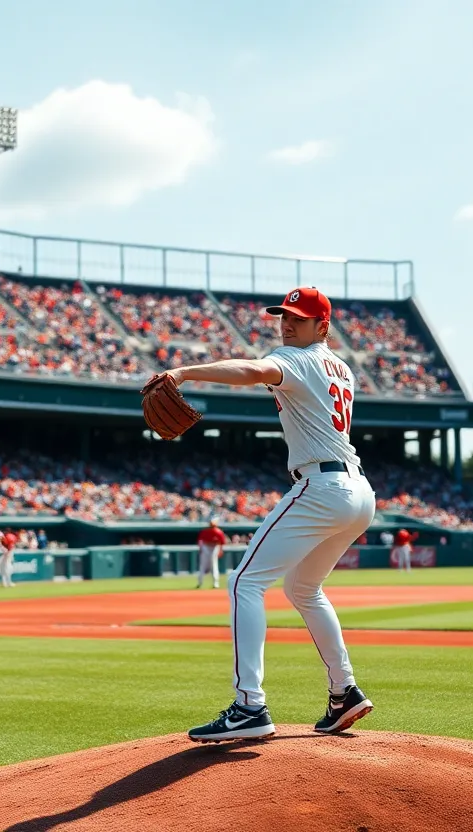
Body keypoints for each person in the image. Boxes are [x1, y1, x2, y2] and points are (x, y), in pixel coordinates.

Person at [161, 286, 376, 743]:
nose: (286, 323)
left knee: (244, 581)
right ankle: (345, 692)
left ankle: (249, 706)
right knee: (304, 588)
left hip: (323, 486)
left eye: (298, 318)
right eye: (284, 316)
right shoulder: (342, 369)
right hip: (359, 490)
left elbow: (254, 370)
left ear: (322, 327)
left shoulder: (295, 358)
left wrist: (183, 371)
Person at [195, 517, 227, 589]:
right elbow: (200, 540)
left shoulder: (218, 532)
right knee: (203, 566)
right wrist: (201, 548)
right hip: (206, 547)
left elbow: (221, 543)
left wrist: (220, 550)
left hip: (214, 547)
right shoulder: (205, 531)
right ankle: (200, 582)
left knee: (214, 565)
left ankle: (216, 583)